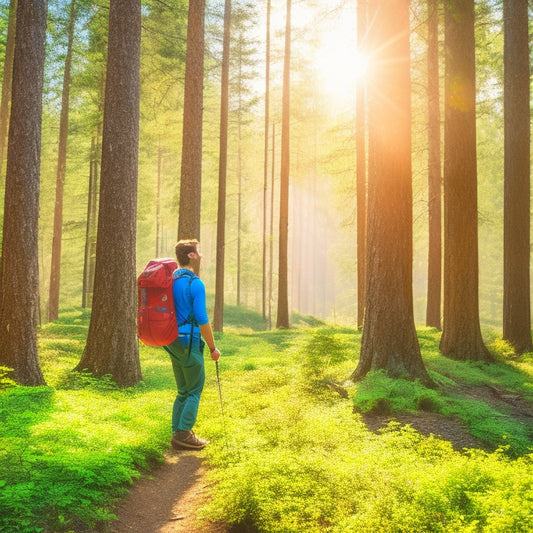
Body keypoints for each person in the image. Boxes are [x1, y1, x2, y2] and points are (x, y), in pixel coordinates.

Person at [163, 239, 221, 450]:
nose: (201, 256)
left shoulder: (170, 281)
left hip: (171, 341)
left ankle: (177, 431)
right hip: (189, 342)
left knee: (183, 390)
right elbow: (202, 318)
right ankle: (184, 432)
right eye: (198, 252)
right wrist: (213, 348)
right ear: (191, 256)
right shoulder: (195, 283)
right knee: (194, 389)